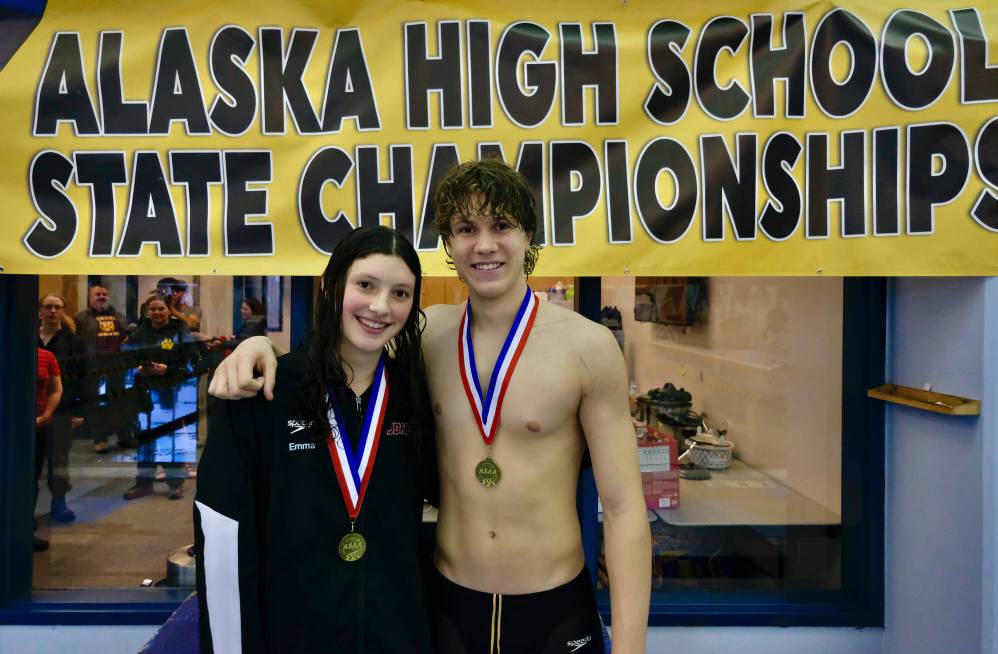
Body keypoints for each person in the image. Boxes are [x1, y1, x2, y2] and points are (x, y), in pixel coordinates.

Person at [210, 159, 652, 653]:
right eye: (466, 229)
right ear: (449, 244)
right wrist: (261, 350)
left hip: (553, 608)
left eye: (501, 225)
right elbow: (342, 358)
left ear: (528, 234)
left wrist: (631, 645)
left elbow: (622, 508)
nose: (484, 245)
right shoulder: (425, 334)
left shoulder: (587, 347)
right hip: (449, 607)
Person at [194, 226, 435, 653]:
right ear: (331, 284)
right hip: (291, 636)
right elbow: (224, 541)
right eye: (365, 285)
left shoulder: (414, 397)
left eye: (401, 293)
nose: (381, 307)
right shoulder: (263, 391)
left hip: (397, 636)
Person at [122, 293, 200, 501]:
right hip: (144, 393)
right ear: (148, 312)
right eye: (153, 309)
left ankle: (175, 484)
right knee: (145, 440)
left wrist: (168, 369)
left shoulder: (180, 331)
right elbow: (126, 361)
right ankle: (144, 483)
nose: (157, 313)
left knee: (169, 439)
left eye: (161, 309)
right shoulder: (139, 333)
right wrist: (138, 369)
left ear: (168, 310)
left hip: (171, 392)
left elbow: (192, 362)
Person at [37, 293, 89, 523]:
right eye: (48, 307)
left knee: (58, 460)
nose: (52, 311)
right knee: (30, 461)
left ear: (63, 311)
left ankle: (59, 504)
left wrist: (80, 410)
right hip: (30, 410)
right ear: (40, 311)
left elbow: (84, 377)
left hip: (63, 409)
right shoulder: (26, 338)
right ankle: (26, 508)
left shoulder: (74, 342)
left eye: (57, 307)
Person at [74, 285, 135, 453]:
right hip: (92, 368)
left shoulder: (119, 317)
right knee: (96, 405)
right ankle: (100, 440)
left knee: (120, 402)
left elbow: (128, 338)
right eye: (97, 294)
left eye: (104, 294)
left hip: (117, 367)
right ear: (90, 298)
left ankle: (124, 436)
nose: (101, 297)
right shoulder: (80, 318)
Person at [34, 346, 62, 552]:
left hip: (38, 426)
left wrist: (45, 415)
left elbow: (55, 389)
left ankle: (25, 528)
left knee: (31, 480)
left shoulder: (46, 356)